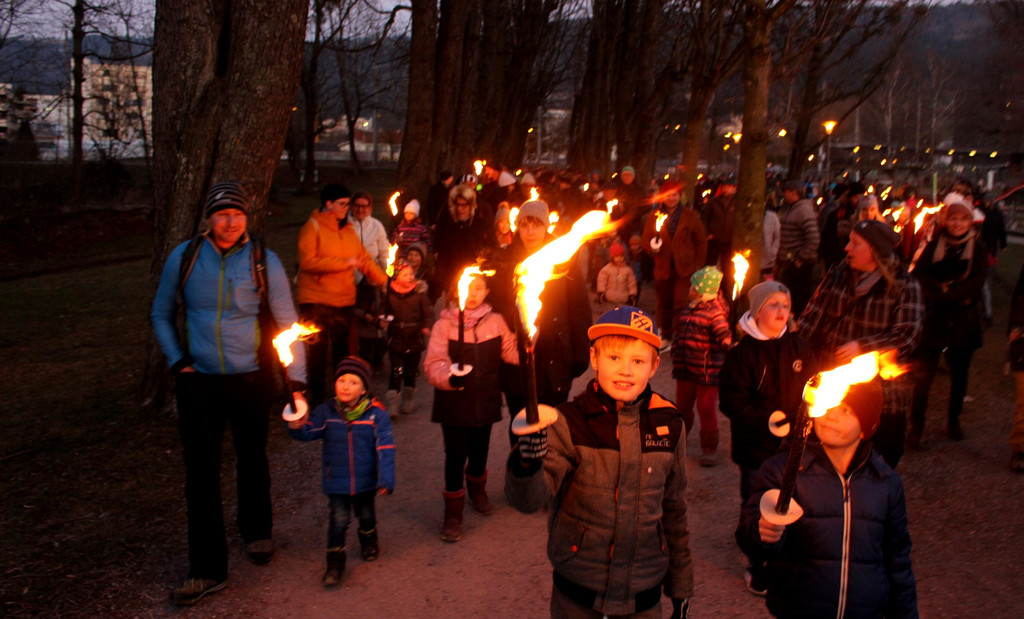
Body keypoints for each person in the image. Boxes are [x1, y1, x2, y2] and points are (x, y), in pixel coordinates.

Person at [151, 181, 308, 606]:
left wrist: (296, 382)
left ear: (247, 217)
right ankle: (207, 569)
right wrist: (177, 362)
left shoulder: (263, 260)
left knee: (253, 457)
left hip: (251, 378)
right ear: (208, 219)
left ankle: (256, 531)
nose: (230, 222)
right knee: (200, 474)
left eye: (237, 214)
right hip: (199, 382)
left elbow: (288, 322)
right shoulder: (183, 258)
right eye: (222, 214)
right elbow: (161, 313)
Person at [505, 306, 693, 618]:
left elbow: (674, 509)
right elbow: (530, 500)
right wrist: (527, 464)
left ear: (654, 365)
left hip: (643, 594)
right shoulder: (568, 422)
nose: (625, 370)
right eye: (614, 358)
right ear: (594, 359)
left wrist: (682, 587)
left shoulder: (670, 424)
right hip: (578, 591)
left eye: (637, 361)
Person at [738, 379, 918, 618]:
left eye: (846, 410)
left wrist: (906, 613)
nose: (832, 416)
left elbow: (897, 558)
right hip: (801, 607)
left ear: (866, 426)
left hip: (865, 610)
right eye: (828, 405)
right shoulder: (784, 470)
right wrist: (762, 532)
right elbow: (749, 535)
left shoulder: (885, 482)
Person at [718, 281, 817, 595]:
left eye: (785, 305)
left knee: (793, 501)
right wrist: (764, 420)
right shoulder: (743, 355)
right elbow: (731, 400)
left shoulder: (800, 347)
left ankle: (785, 558)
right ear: (758, 311)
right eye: (773, 304)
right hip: (756, 449)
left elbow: (815, 384)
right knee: (758, 504)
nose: (781, 311)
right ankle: (757, 563)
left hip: (795, 447)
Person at [798, 220, 924, 468]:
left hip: (882, 401)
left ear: (875, 251)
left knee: (875, 470)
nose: (847, 248)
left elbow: (908, 335)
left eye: (856, 243)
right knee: (825, 469)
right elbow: (809, 322)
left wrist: (864, 348)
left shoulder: (904, 286)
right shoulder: (837, 277)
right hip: (832, 395)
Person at [423, 272, 518, 541]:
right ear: (457, 291)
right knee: (455, 454)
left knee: (480, 449)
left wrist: (530, 344)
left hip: (485, 399)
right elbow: (433, 363)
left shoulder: (497, 321)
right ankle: (453, 512)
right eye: (468, 288)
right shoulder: (445, 326)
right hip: (453, 403)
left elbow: (510, 350)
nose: (473, 293)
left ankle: (477, 490)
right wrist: (449, 378)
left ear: (487, 292)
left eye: (479, 288)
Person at [488, 199, 593, 441]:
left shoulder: (563, 258)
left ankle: (549, 475)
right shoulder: (505, 260)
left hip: (555, 351)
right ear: (518, 227)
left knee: (551, 423)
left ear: (546, 226)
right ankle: (521, 475)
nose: (531, 231)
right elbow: (494, 306)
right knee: (521, 422)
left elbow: (577, 305)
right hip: (517, 353)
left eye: (536, 224)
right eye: (525, 225)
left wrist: (580, 351)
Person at [286, 356, 395, 587]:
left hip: (367, 481)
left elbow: (385, 448)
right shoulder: (326, 412)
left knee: (366, 515)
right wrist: (296, 423)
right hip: (336, 480)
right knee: (338, 520)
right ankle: (335, 563)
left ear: (364, 388)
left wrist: (386, 478)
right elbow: (308, 431)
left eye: (353, 382)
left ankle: (369, 540)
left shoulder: (376, 415)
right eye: (341, 380)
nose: (345, 386)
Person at [297, 184, 389, 406]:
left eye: (347, 204)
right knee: (317, 353)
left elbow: (365, 260)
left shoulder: (347, 230)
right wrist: (344, 264)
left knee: (342, 352)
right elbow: (307, 262)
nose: (347, 208)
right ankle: (317, 400)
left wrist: (386, 282)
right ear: (328, 204)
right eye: (342, 204)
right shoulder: (313, 227)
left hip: (343, 301)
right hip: (316, 301)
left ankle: (342, 397)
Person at [908, 199, 988, 447]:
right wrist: (936, 291)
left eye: (963, 219)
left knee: (959, 373)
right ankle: (916, 426)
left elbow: (977, 281)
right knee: (923, 375)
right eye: (953, 218)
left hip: (963, 318)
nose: (957, 224)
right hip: (935, 317)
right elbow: (918, 273)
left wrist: (950, 294)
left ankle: (954, 421)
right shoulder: (934, 245)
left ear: (969, 222)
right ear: (946, 220)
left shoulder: (978, 248)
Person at [672, 266, 732, 466]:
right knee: (682, 407)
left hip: (707, 372)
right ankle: (678, 440)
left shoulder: (715, 313)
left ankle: (709, 448)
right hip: (685, 368)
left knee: (706, 409)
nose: (689, 288)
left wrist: (730, 341)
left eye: (692, 285)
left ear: (700, 289)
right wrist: (675, 349)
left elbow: (724, 337)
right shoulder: (690, 308)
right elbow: (680, 333)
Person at [642, 178, 708, 345]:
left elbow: (701, 241)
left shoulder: (690, 216)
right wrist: (652, 249)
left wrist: (698, 265)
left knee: (681, 302)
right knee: (663, 303)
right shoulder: (653, 216)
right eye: (668, 195)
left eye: (674, 195)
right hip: (663, 266)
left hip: (684, 268)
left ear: (679, 196)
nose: (671, 198)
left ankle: (679, 336)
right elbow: (646, 240)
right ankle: (665, 335)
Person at [382, 258, 434, 417]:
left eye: (411, 274)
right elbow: (384, 311)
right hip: (396, 338)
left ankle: (408, 399)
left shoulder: (419, 295)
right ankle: (393, 402)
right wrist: (383, 320)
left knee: (410, 371)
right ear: (396, 277)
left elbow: (428, 313)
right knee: (396, 370)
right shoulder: (390, 295)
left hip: (414, 338)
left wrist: (426, 325)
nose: (410, 277)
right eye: (405, 274)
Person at [432, 183, 495, 303]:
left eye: (464, 205)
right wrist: (444, 285)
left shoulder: (481, 226)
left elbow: (491, 251)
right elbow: (443, 260)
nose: (460, 209)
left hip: (476, 283)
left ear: (471, 205)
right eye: (457, 205)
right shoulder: (450, 228)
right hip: (454, 282)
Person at [775, 180, 820, 317]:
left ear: (794, 193)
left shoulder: (803, 210)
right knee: (791, 300)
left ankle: (800, 327)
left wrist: (800, 259)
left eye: (786, 192)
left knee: (800, 300)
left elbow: (813, 238)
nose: (783, 194)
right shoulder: (792, 209)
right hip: (790, 263)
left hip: (799, 266)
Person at [596, 241, 638, 312]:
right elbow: (602, 281)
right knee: (609, 316)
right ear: (612, 257)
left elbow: (631, 284)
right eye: (617, 256)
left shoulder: (627, 270)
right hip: (609, 299)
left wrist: (632, 294)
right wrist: (601, 292)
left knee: (621, 317)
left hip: (623, 300)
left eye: (621, 256)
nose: (620, 258)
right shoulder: (606, 270)